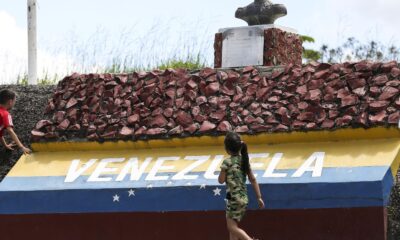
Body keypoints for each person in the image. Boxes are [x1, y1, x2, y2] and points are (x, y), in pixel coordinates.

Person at [219, 131, 265, 240]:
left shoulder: (227, 162)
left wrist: (223, 172)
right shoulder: (244, 161)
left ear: (227, 149)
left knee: (231, 228)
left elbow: (221, 180)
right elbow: (253, 179)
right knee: (234, 228)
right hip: (244, 199)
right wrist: (259, 197)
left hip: (233, 199)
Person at [0, 89, 31, 154]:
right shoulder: (5, 114)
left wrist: (5, 145)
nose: (14, 103)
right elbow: (10, 131)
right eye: (14, 101)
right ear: (10, 102)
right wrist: (22, 147)